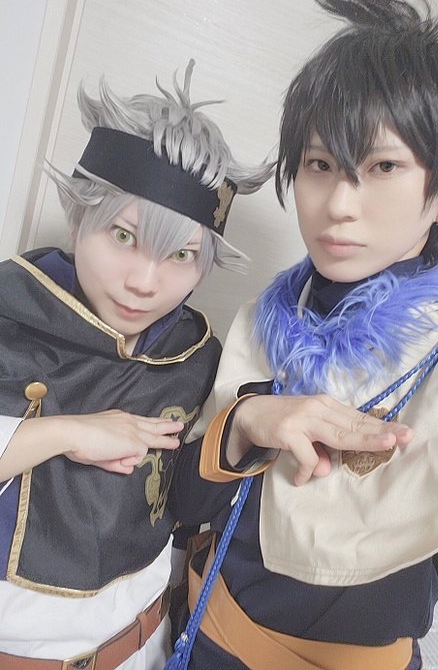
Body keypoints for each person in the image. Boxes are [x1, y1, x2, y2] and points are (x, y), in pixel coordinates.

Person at [168, 0, 438, 669]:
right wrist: (247, 422)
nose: (336, 204)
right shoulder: (264, 319)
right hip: (200, 635)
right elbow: (183, 503)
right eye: (319, 164)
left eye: (383, 167)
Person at [0, 61, 276, 669]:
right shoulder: (8, 314)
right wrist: (64, 433)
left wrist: (245, 432)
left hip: (144, 649)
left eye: (181, 255)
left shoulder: (199, 356)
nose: (146, 282)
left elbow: (193, 511)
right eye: (124, 236)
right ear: (80, 216)